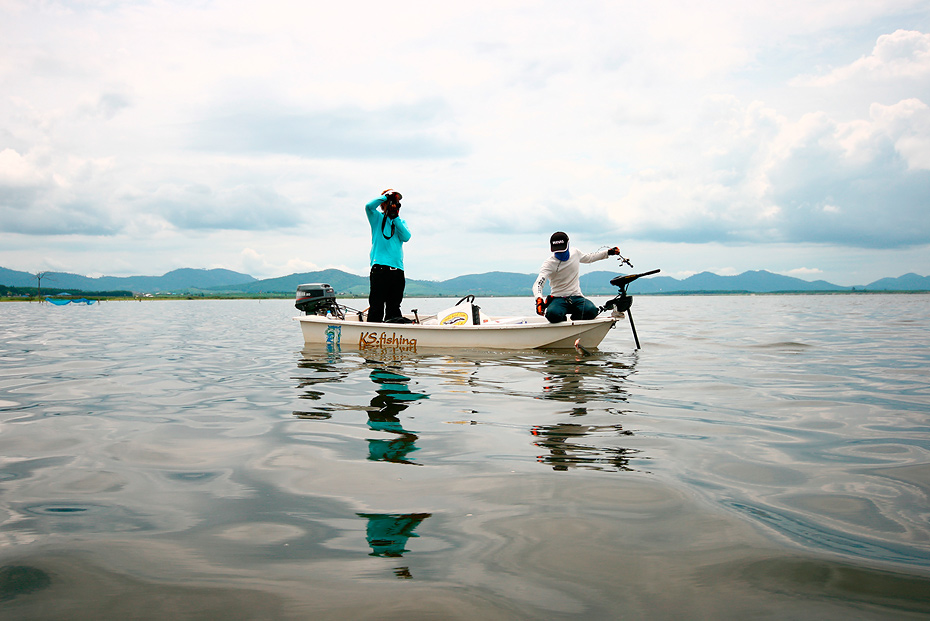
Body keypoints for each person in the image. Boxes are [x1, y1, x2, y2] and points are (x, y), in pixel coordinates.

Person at [533, 231, 621, 323]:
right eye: (557, 251)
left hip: (576, 297)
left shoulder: (575, 253)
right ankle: (561, 321)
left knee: (592, 311)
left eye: (562, 250)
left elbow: (589, 257)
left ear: (568, 245)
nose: (560, 254)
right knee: (552, 315)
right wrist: (539, 299)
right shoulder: (549, 264)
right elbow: (538, 283)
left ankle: (575, 320)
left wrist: (608, 252)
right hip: (558, 298)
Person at [366, 189, 411, 322]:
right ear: (383, 204)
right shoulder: (377, 218)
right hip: (380, 269)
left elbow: (406, 237)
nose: (393, 204)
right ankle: (372, 334)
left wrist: (395, 217)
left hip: (397, 270)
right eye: (390, 203)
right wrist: (385, 197)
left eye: (396, 203)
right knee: (376, 306)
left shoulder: (400, 222)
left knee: (394, 307)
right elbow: (368, 206)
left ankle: (393, 335)